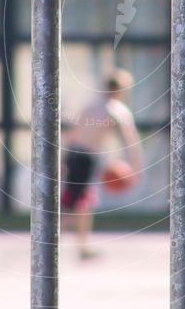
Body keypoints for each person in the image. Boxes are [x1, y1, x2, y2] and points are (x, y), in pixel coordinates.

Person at [61, 69, 143, 260]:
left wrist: (64, 158)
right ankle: (50, 241)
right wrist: (135, 169)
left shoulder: (91, 105)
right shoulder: (117, 111)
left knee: (82, 203)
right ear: (123, 90)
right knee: (73, 204)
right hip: (86, 158)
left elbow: (74, 133)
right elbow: (131, 143)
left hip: (76, 154)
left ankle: (82, 247)